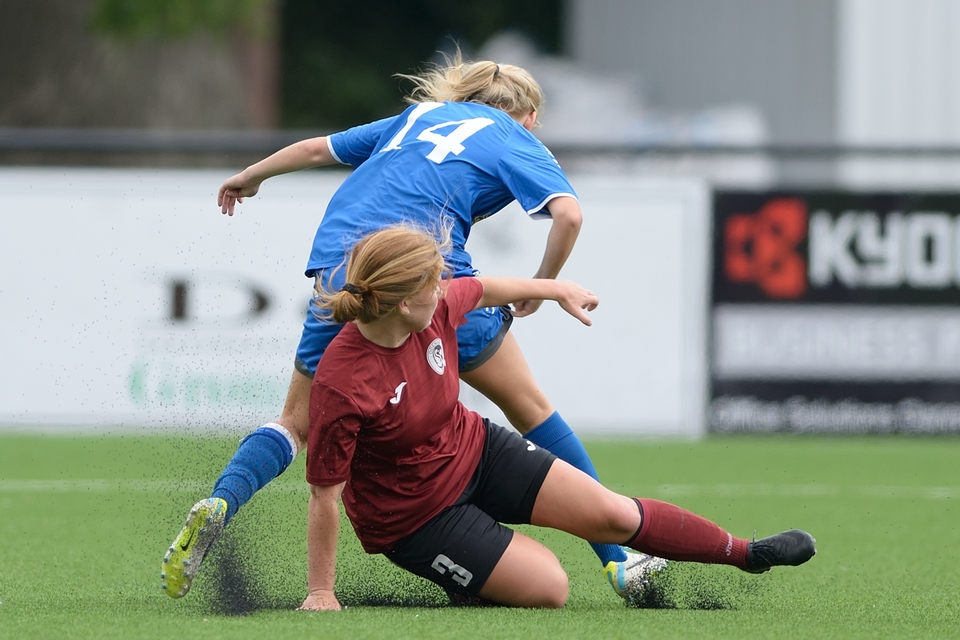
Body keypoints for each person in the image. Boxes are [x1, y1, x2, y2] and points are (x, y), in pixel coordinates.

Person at [162, 51, 657, 601]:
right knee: (532, 410)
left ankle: (223, 501)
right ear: (530, 116)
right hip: (428, 282)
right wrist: (544, 285)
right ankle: (618, 561)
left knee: (294, 424)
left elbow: (316, 149)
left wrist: (250, 176)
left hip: (342, 272)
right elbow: (569, 214)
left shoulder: (419, 115)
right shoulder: (513, 134)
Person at [298, 226, 816, 610]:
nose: (444, 286)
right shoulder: (343, 382)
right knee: (551, 588)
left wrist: (555, 288)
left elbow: (486, 288)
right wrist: (321, 591)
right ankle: (471, 577)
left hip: (475, 449)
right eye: (433, 283)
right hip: (415, 517)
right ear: (401, 303)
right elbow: (325, 495)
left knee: (614, 515)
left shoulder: (436, 307)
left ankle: (746, 553)